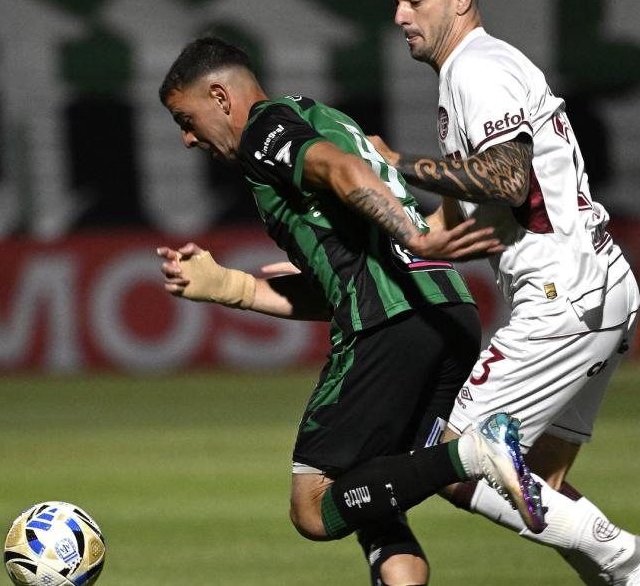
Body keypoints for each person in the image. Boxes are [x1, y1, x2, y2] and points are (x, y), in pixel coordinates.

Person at [155, 36, 546, 585]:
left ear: (220, 96)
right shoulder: (323, 116)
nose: (187, 138)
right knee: (370, 492)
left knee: (313, 508)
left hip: (391, 324)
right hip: (447, 313)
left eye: (186, 118)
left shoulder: (265, 132)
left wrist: (418, 234)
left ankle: (477, 455)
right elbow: (346, 280)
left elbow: (343, 173)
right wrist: (231, 287)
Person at [364, 0, 640, 584]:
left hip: (563, 297)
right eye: (396, 2)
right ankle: (623, 575)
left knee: (452, 461)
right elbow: (443, 236)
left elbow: (507, 179)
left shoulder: (477, 70)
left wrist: (399, 164)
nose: (400, 15)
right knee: (542, 481)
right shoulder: (471, 75)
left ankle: (631, 559)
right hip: (600, 287)